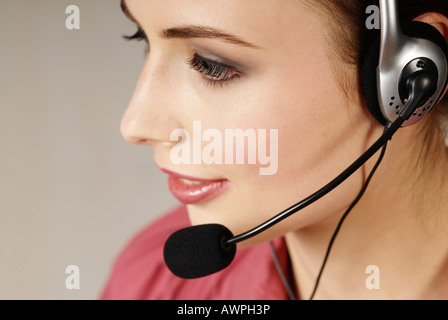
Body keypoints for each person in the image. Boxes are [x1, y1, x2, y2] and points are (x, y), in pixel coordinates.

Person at [101, 0, 448, 300]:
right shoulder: (150, 281)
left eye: (212, 65)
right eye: (143, 39)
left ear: (413, 77)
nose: (135, 126)